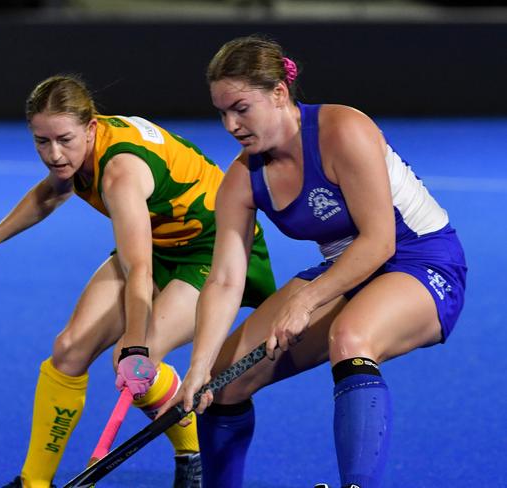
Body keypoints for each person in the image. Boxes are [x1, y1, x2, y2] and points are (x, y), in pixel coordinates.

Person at [164, 35, 467, 488]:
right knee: (224, 385)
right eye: (222, 112)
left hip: (421, 260)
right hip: (345, 273)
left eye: (241, 108)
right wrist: (199, 368)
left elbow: (379, 242)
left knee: (352, 337)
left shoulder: (342, 129)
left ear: (279, 94)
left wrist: (307, 299)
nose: (230, 124)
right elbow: (225, 280)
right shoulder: (242, 180)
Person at [0, 74, 276, 488]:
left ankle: (193, 452)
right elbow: (52, 191)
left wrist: (137, 347)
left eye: (64, 139)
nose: (53, 154)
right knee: (68, 350)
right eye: (41, 141)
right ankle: (34, 482)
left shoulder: (120, 171)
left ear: (91, 126)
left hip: (214, 251)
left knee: (134, 362)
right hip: (157, 242)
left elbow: (139, 270)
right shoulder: (79, 150)